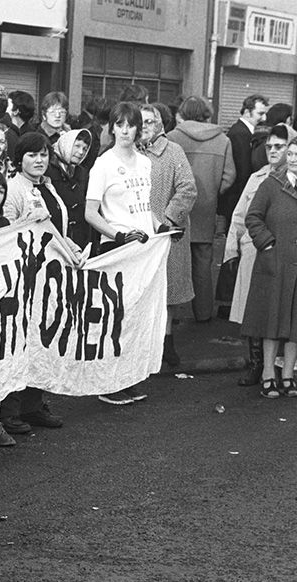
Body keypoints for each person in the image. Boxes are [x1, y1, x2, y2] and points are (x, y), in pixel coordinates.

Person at [0, 132, 73, 437]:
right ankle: (11, 410)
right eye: (32, 155)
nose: (39, 160)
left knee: (43, 337)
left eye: (43, 154)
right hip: (24, 275)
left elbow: (55, 226)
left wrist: (68, 246)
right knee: (21, 340)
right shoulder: (13, 188)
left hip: (49, 274)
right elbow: (3, 232)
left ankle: (34, 402)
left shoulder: (48, 186)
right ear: (19, 159)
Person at [85, 102, 157, 406]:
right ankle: (106, 382)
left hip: (144, 248)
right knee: (113, 317)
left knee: (135, 316)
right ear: (112, 128)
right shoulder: (103, 164)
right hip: (117, 246)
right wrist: (118, 234)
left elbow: (144, 207)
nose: (126, 130)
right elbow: (91, 212)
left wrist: (161, 225)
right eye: (120, 124)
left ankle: (125, 378)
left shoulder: (145, 163)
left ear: (138, 128)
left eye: (131, 124)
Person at [242, 132, 297, 399]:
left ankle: (288, 374)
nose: (292, 159)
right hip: (274, 263)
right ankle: (267, 373)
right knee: (271, 319)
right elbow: (253, 218)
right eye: (290, 154)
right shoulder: (272, 184)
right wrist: (267, 245)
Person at [225, 124, 289, 386]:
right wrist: (231, 248)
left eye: (279, 146)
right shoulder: (256, 177)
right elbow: (239, 215)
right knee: (252, 310)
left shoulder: (296, 178)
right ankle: (256, 365)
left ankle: (275, 365)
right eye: (269, 146)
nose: (272, 151)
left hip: (281, 252)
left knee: (276, 308)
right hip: (252, 249)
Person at [167, 96, 235, 323]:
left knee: (173, 262)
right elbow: (229, 176)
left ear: (183, 112)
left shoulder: (172, 138)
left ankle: (171, 315)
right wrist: (213, 192)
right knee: (203, 263)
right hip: (206, 208)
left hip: (177, 207)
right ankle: (203, 313)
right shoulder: (223, 140)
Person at [140, 102, 198, 368]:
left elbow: (187, 188)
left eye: (150, 122)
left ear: (161, 124)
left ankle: (167, 339)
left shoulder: (173, 151)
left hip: (167, 233)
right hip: (138, 235)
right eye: (140, 122)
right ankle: (142, 342)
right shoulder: (127, 153)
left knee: (168, 291)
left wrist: (169, 219)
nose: (144, 127)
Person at [220, 94, 268, 224]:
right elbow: (243, 170)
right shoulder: (240, 134)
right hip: (238, 197)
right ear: (247, 112)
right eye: (260, 113)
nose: (264, 118)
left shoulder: (243, 132)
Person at [46, 128, 93, 249]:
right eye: (76, 146)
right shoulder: (48, 171)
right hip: (56, 239)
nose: (81, 152)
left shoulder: (82, 173)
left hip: (80, 238)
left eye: (85, 148)